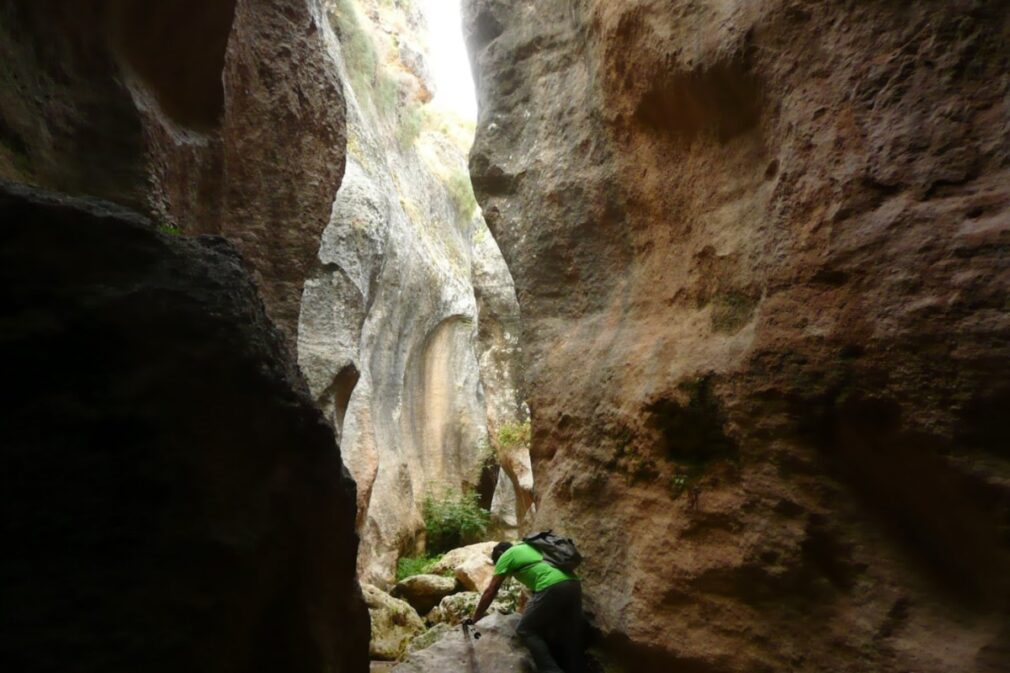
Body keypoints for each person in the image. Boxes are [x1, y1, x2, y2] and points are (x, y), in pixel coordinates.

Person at [469, 540, 584, 673]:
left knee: (525, 630)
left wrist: (476, 618)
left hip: (551, 585)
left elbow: (491, 590)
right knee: (569, 633)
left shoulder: (507, 555)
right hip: (573, 584)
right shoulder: (530, 547)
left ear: (500, 553)